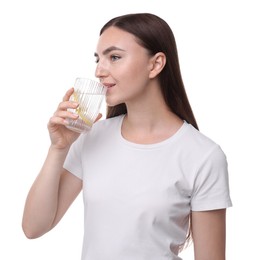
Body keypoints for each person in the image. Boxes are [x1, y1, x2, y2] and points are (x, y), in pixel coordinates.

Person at [22, 13, 232, 260]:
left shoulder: (203, 156)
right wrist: (58, 149)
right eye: (98, 59)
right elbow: (33, 227)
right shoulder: (92, 137)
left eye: (114, 57)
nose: (99, 71)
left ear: (155, 64)